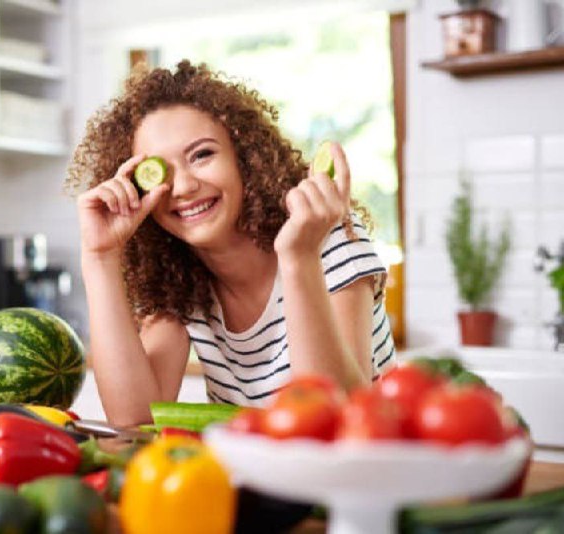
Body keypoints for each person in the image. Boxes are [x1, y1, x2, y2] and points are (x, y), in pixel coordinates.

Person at [65, 60, 395, 426]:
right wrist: (100, 257)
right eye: (161, 171)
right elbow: (134, 419)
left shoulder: (326, 239)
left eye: (202, 155)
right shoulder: (179, 282)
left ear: (243, 157)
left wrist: (299, 258)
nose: (185, 187)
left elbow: (337, 416)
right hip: (252, 477)